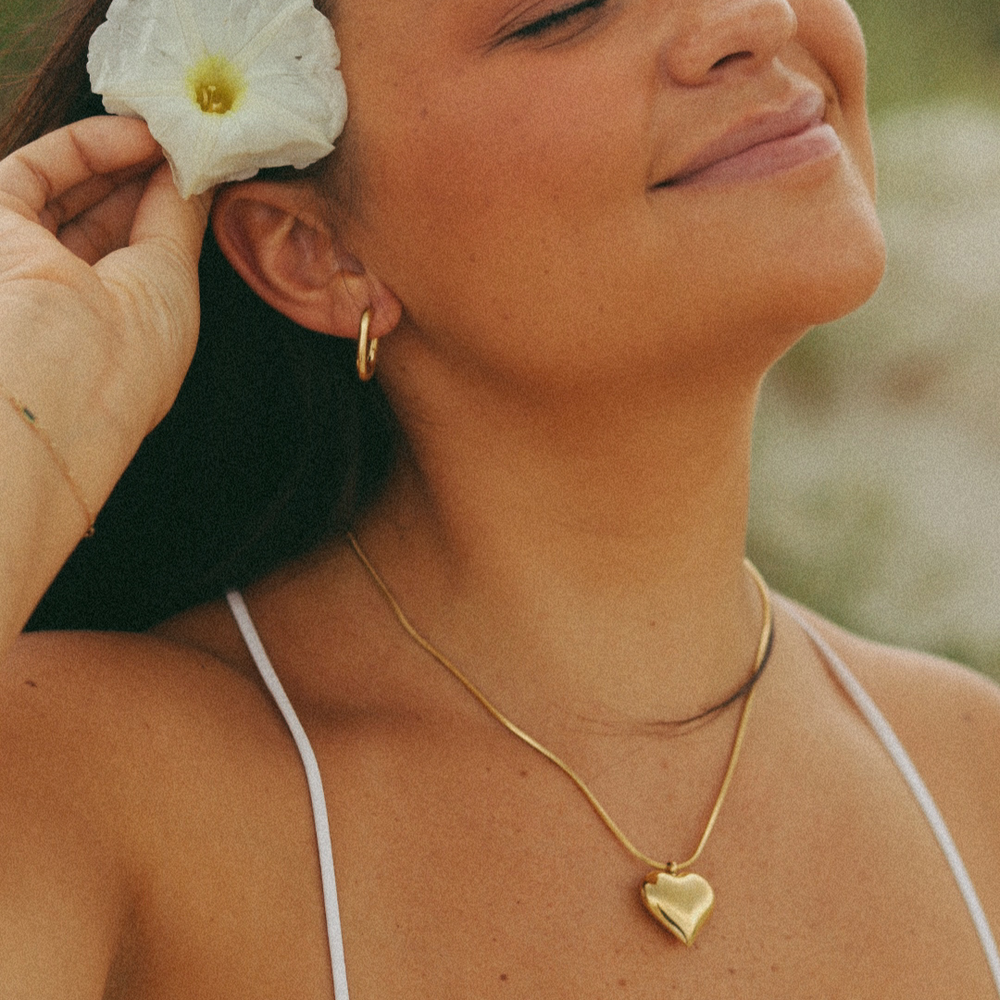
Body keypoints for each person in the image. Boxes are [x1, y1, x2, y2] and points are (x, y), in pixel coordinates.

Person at [1, 0, 998, 996]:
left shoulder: (972, 775)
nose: (749, 18)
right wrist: (34, 419)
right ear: (314, 255)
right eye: (560, 13)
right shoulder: (86, 784)